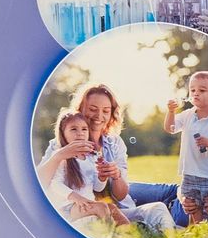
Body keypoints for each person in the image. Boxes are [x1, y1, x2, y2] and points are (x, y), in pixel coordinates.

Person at [37, 100, 173, 233]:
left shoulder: (91, 157)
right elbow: (54, 184)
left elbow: (98, 188)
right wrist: (76, 197)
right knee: (102, 208)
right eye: (73, 129)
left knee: (112, 208)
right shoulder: (60, 155)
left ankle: (131, 235)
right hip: (69, 206)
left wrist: (102, 177)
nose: (80, 133)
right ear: (63, 133)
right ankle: (114, 235)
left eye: (84, 129)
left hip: (88, 204)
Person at [71, 82, 189, 228]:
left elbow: (121, 195)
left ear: (111, 113)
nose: (99, 116)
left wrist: (117, 175)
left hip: (122, 205)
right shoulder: (67, 144)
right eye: (93, 109)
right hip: (99, 212)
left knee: (171, 197)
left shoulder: (114, 142)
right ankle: (168, 227)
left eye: (106, 111)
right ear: (80, 110)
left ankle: (175, 226)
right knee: (162, 206)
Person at [167, 70, 208, 223]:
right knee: (192, 206)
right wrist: (170, 112)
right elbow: (170, 128)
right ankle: (197, 229)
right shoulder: (187, 115)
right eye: (192, 90)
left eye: (202, 90)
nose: (196, 93)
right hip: (190, 173)